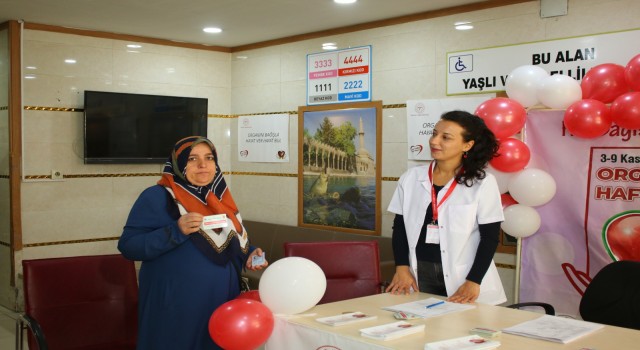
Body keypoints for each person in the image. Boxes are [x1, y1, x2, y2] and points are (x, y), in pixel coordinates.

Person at [118, 136, 268, 349]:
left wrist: (249, 253)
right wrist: (175, 230)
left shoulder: (219, 198)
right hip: (176, 303)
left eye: (209, 158)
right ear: (178, 164)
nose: (202, 165)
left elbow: (226, 240)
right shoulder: (157, 196)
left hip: (220, 300)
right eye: (192, 159)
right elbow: (128, 246)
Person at [385, 110, 506, 305]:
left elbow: (490, 238)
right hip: (418, 273)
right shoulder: (411, 178)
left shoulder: (482, 183)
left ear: (467, 145)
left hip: (464, 276)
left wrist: (474, 280)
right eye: (434, 133)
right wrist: (402, 267)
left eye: (445, 137)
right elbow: (399, 228)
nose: (434, 141)